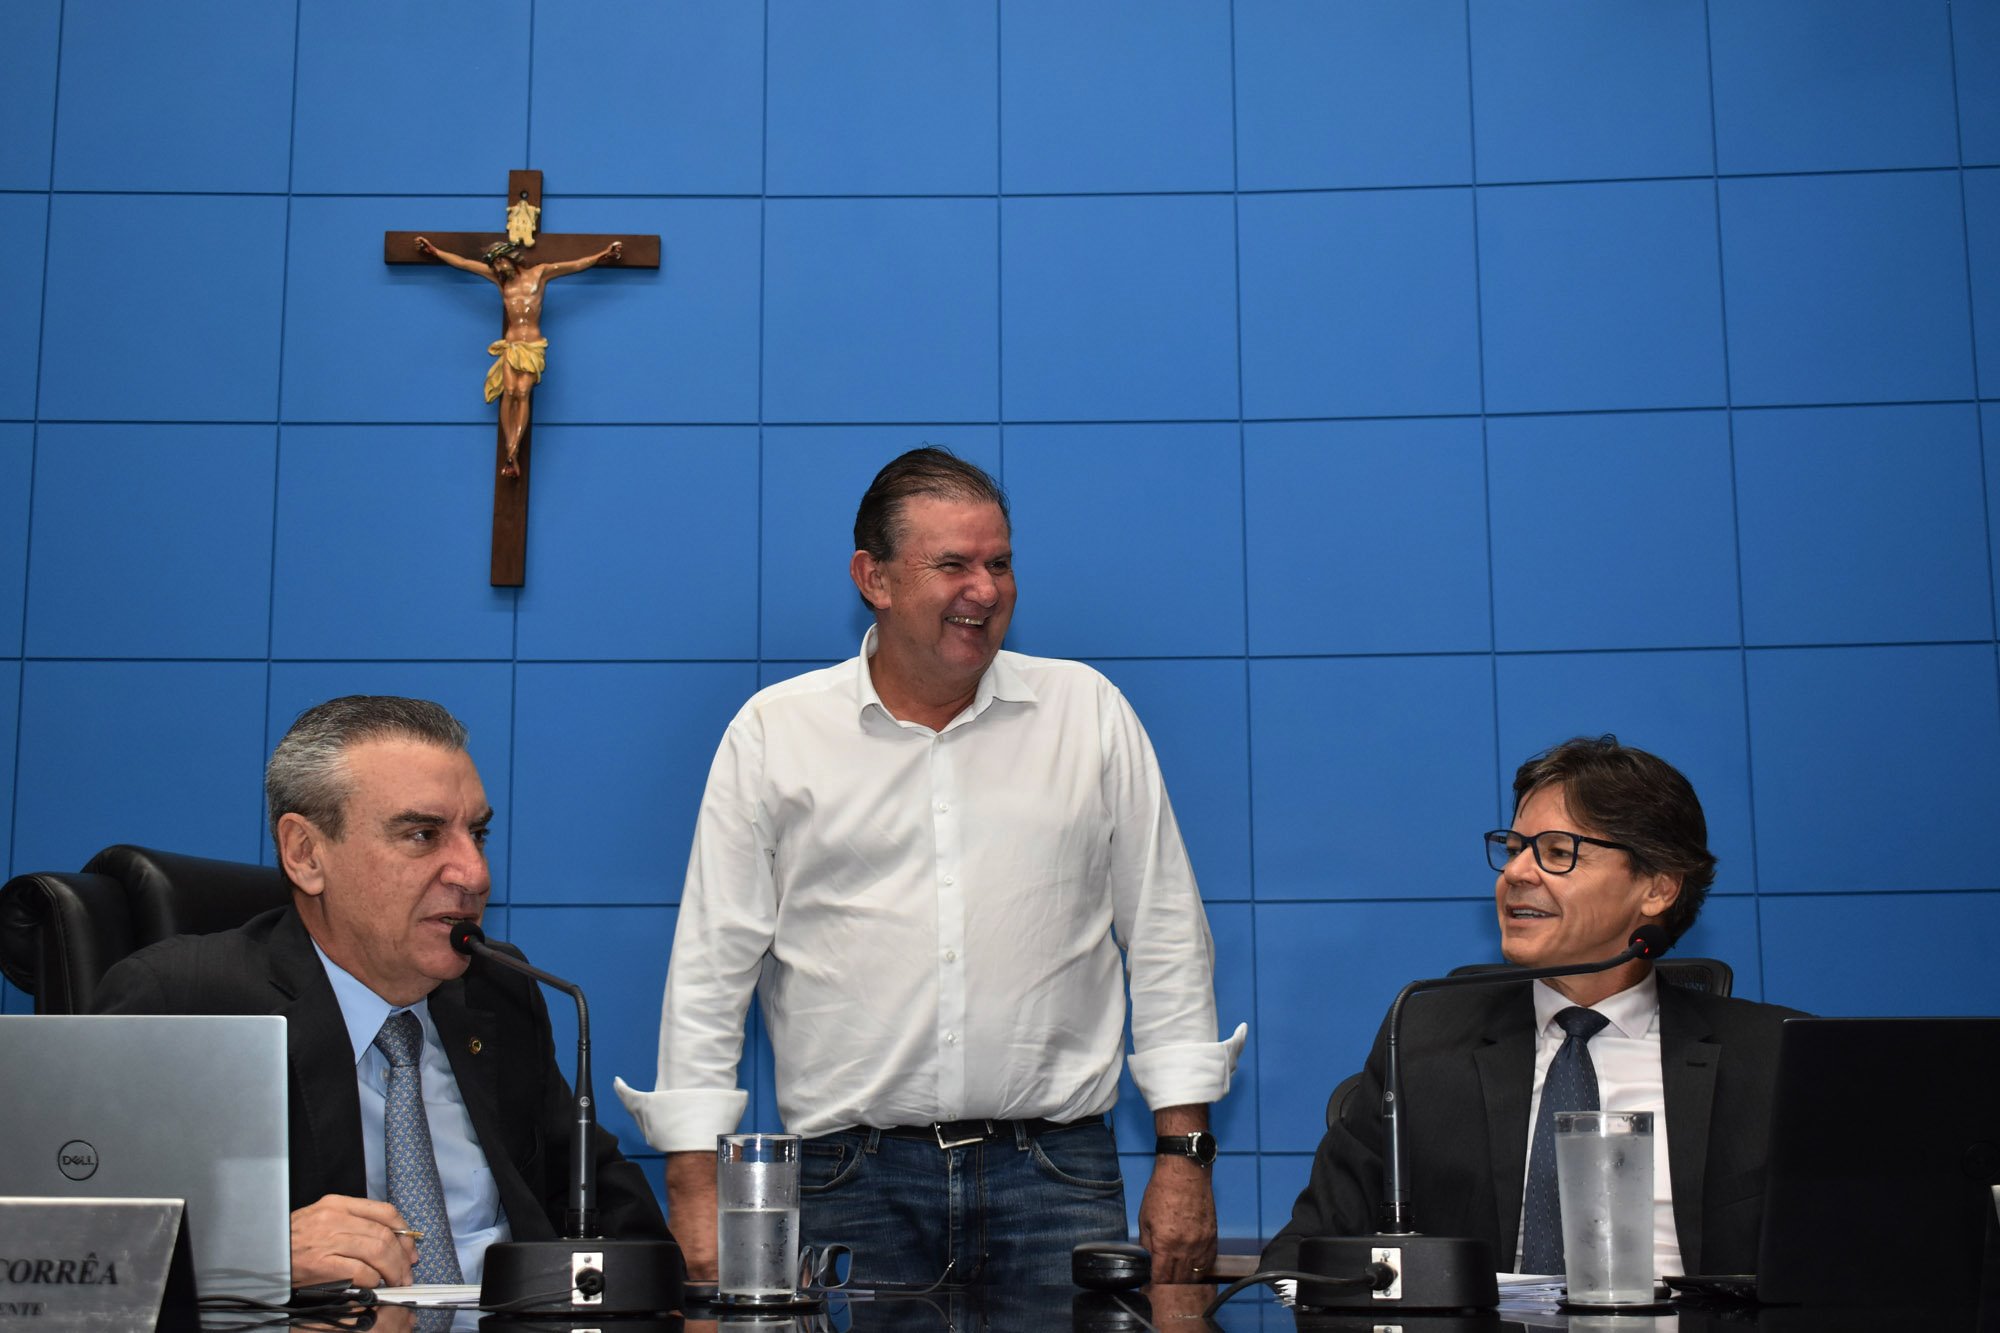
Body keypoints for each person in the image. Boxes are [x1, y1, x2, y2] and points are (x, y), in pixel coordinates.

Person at [615, 447, 1246, 1288]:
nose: (985, 590)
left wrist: (1185, 1156)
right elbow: (709, 970)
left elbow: (1167, 939)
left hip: (1057, 1179)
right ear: (872, 578)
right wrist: (695, 1184)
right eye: (953, 565)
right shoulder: (774, 734)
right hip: (847, 1184)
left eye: (1000, 563)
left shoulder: (1088, 713)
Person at [95, 695, 671, 1289]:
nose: (475, 874)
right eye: (423, 834)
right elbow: (82, 1256)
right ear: (306, 854)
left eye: (477, 833)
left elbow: (608, 1206)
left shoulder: (499, 991)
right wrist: (252, 1254)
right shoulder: (186, 1006)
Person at [1264, 736, 1804, 1280]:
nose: (1517, 873)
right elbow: (1304, 1253)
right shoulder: (1425, 1040)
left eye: (1558, 852)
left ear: (1657, 889)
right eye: (1514, 848)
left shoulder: (1780, 1058)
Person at [412, 235, 623, 477]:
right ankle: (509, 449)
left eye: (500, 262)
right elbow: (464, 264)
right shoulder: (499, 281)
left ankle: (514, 448)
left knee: (523, 393)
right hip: (512, 345)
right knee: (509, 392)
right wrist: (435, 251)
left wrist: (602, 254)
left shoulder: (540, 274)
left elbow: (575, 265)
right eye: (494, 264)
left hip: (532, 345)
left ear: (510, 257)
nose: (498, 268)